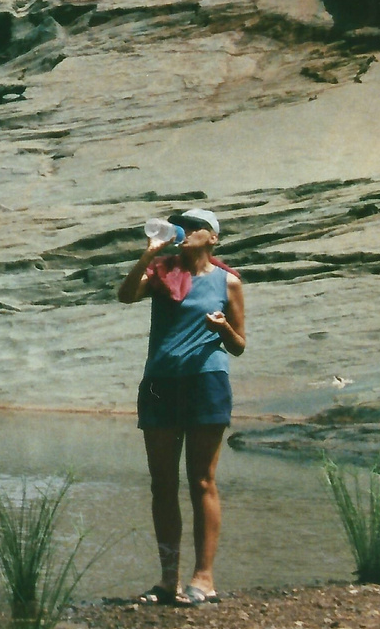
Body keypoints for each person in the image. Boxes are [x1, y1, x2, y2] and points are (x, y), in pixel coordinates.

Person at [115, 208, 245, 607]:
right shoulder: (161, 271)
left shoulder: (229, 281)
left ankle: (203, 579)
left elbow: (239, 345)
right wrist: (147, 255)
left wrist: (222, 328)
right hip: (159, 384)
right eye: (180, 226)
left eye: (193, 227)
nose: (184, 231)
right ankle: (168, 580)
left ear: (213, 238)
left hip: (206, 382)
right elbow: (124, 296)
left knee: (201, 481)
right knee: (162, 484)